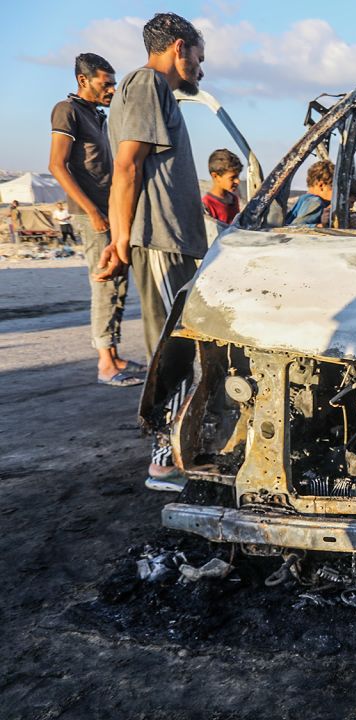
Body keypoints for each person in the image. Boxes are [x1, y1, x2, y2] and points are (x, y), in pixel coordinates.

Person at [96, 12, 208, 492]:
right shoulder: (146, 84)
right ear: (179, 47)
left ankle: (181, 449)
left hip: (169, 239)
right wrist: (119, 243)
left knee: (184, 345)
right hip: (160, 237)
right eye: (199, 59)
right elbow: (126, 169)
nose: (201, 71)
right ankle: (165, 461)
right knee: (174, 349)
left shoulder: (150, 90)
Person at [49, 52, 142, 387]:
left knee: (118, 280)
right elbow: (57, 165)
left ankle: (114, 353)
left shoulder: (96, 115)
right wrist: (92, 211)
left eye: (114, 83)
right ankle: (105, 363)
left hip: (109, 211)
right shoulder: (68, 110)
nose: (113, 90)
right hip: (92, 215)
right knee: (103, 283)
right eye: (106, 83)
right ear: (82, 80)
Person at [285, 160, 333, 226]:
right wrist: (321, 225)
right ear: (321, 185)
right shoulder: (315, 202)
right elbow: (296, 228)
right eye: (334, 189)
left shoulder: (304, 199)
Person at [202, 148, 242, 224]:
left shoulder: (234, 199)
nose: (237, 181)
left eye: (238, 177)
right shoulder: (207, 204)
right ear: (215, 176)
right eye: (232, 178)